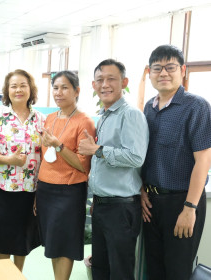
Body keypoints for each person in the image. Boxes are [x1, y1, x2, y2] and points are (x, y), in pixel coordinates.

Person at [141, 45, 211, 280]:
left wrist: (190, 209)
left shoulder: (196, 106)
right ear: (149, 73)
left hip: (182, 201)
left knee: (177, 271)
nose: (163, 73)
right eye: (157, 68)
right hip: (152, 203)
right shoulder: (148, 108)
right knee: (154, 269)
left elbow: (203, 160)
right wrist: (142, 191)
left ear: (182, 71)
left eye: (170, 67)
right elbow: (146, 156)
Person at [78, 59, 149, 280]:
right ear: (93, 85)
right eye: (100, 80)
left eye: (111, 79)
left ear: (124, 82)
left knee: (120, 271)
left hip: (121, 209)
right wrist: (97, 199)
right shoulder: (105, 115)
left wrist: (97, 149)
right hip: (102, 206)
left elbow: (135, 157)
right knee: (101, 267)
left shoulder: (130, 114)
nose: (105, 84)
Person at [0, 69, 44, 271]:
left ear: (30, 89)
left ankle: (17, 274)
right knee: (2, 238)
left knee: (23, 239)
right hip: (2, 189)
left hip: (29, 189)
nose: (18, 90)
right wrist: (9, 160)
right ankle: (3, 274)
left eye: (23, 85)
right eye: (13, 86)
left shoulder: (41, 119)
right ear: (7, 90)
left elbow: (45, 155)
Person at [36, 71, 95, 280]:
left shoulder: (84, 121)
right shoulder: (50, 118)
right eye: (55, 88)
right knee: (53, 243)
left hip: (69, 191)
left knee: (64, 243)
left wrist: (58, 146)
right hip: (45, 189)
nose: (58, 92)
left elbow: (82, 164)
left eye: (64, 87)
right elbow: (44, 158)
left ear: (77, 91)